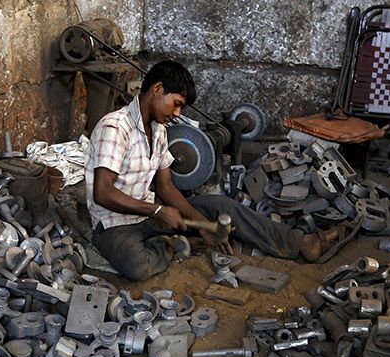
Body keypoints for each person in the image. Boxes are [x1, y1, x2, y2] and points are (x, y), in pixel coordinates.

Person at [85, 60, 345, 281]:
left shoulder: (159, 131)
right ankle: (176, 246)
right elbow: (103, 193)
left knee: (223, 206)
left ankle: (299, 242)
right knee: (137, 265)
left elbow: (166, 187)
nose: (177, 113)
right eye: (175, 104)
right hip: (114, 226)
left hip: (150, 215)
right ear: (157, 89)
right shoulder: (115, 128)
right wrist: (156, 210)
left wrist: (204, 224)